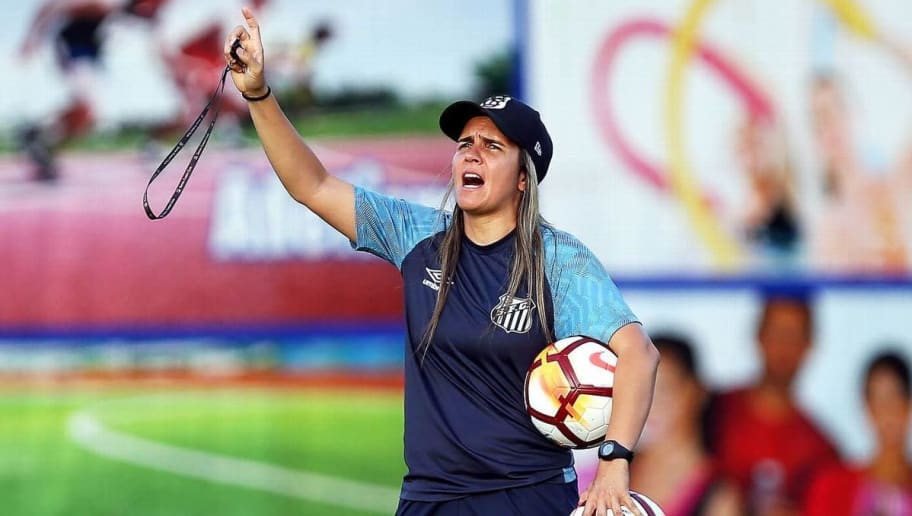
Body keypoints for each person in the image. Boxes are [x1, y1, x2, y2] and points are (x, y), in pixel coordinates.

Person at [222, 7, 659, 516]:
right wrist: (257, 93)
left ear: (524, 178)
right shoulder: (417, 236)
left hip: (528, 497)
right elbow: (312, 185)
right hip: (429, 499)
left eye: (492, 146)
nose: (470, 154)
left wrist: (614, 463)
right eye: (464, 143)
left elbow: (638, 355)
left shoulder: (558, 259)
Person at [706, 293, 839, 515]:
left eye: (794, 336)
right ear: (758, 336)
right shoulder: (713, 411)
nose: (784, 347)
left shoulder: (822, 449)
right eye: (776, 333)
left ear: (809, 345)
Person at [17, 0, 168, 181]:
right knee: (89, 104)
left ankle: (42, 139)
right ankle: (37, 134)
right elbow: (53, 6)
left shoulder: (124, 10)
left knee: (89, 115)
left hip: (89, 54)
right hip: (73, 49)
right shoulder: (101, 4)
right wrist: (32, 38)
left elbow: (144, 17)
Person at [628, 333, 742, 515]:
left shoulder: (719, 496)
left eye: (664, 391)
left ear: (696, 392)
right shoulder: (610, 469)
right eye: (641, 391)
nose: (650, 405)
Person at [805, 350, 912, 516]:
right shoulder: (833, 487)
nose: (889, 413)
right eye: (879, 401)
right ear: (866, 407)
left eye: (896, 398)